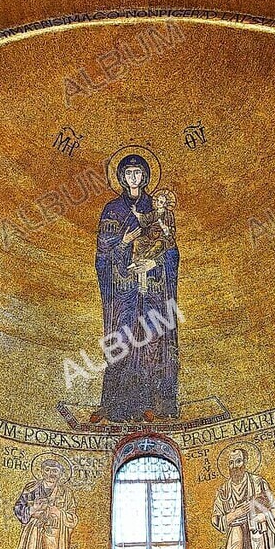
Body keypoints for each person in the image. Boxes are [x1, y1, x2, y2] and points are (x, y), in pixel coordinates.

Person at [92, 150, 180, 423]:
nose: (133, 177)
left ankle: (151, 404)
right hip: (123, 289)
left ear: (145, 176)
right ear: (121, 176)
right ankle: (115, 406)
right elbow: (102, 253)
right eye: (128, 172)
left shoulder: (157, 210)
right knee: (123, 341)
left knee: (151, 342)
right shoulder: (113, 210)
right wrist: (125, 242)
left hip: (152, 290)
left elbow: (171, 252)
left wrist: (153, 265)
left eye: (138, 172)